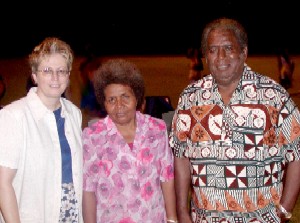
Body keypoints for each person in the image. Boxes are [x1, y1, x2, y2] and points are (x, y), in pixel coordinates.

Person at [169, 17, 300, 223]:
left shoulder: (273, 97)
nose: (220, 57)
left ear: (243, 52)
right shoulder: (190, 98)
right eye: (212, 50)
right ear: (205, 56)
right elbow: (180, 156)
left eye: (228, 48)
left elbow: (297, 152)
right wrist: (182, 212)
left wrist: (284, 211)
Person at [82, 58, 177, 223]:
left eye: (125, 96)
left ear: (137, 97)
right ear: (104, 103)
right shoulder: (92, 137)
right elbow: (88, 190)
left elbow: (167, 178)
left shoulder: (157, 129)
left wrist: (172, 218)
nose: (119, 105)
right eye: (111, 99)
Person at [0, 37, 83, 222]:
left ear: (68, 75)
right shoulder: (13, 116)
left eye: (61, 71)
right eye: (47, 71)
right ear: (35, 75)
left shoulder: (74, 114)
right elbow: (2, 183)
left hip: (71, 215)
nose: (55, 77)